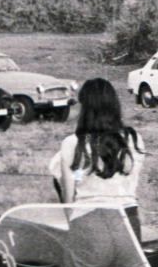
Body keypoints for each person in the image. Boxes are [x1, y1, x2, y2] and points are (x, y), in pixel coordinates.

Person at [49, 77, 147, 241]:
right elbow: (127, 175)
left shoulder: (72, 143)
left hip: (89, 218)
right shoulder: (133, 138)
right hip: (128, 218)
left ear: (85, 108)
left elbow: (69, 195)